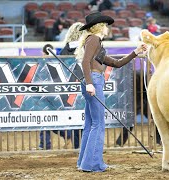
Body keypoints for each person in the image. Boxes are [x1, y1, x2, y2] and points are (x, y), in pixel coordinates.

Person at [75, 11, 147, 172]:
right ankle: (93, 164)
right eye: (106, 25)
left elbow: (117, 63)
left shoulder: (95, 44)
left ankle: (84, 162)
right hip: (94, 81)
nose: (108, 28)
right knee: (98, 124)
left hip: (91, 80)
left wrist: (135, 52)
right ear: (99, 27)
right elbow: (85, 62)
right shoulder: (93, 39)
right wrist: (89, 83)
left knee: (90, 124)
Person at [39, 44, 73, 150]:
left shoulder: (44, 63)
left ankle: (45, 144)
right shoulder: (58, 61)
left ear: (44, 53)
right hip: (58, 96)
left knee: (46, 120)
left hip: (48, 96)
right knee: (50, 120)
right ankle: (65, 135)